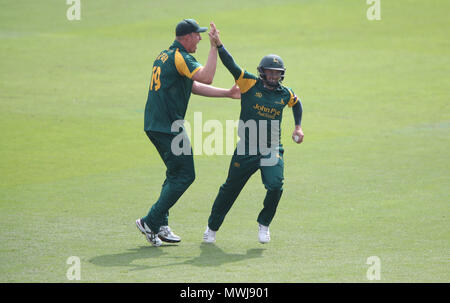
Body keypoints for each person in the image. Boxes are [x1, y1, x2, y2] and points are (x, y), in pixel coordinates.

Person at [136, 19, 240, 246]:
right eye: (198, 35)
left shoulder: (165, 55)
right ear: (186, 37)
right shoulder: (180, 57)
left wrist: (227, 94)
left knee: (175, 172)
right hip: (168, 127)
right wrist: (215, 47)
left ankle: (160, 223)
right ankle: (150, 221)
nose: (201, 39)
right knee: (185, 174)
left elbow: (192, 85)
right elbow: (206, 76)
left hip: (156, 124)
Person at [203, 31, 304, 244]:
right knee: (230, 189)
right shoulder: (248, 83)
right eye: (270, 72)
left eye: (278, 73)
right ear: (262, 72)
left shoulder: (285, 93)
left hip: (271, 148)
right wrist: (219, 45)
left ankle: (264, 223)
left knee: (276, 186)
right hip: (247, 147)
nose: (274, 76)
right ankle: (212, 228)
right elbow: (231, 65)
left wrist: (298, 127)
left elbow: (297, 103)